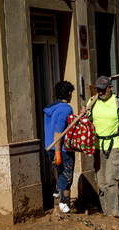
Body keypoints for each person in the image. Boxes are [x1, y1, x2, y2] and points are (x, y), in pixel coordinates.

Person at [88, 75, 119, 218]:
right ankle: (106, 214)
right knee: (101, 184)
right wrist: (83, 114)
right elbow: (85, 124)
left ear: (110, 87)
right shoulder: (92, 101)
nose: (101, 92)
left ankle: (113, 216)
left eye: (103, 89)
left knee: (111, 182)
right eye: (98, 89)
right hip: (97, 147)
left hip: (115, 145)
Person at [43, 81, 84, 213]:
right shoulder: (65, 108)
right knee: (67, 176)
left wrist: (79, 115)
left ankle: (59, 205)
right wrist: (59, 153)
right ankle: (62, 202)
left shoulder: (51, 108)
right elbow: (59, 131)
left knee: (61, 175)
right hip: (62, 149)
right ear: (69, 93)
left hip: (50, 148)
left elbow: (68, 125)